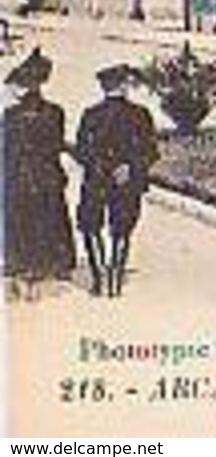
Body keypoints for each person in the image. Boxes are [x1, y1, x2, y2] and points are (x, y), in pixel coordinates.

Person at [74, 63, 160, 298]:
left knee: (89, 225)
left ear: (103, 87)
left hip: (96, 180)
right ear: (125, 86)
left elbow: (80, 151)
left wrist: (100, 167)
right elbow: (151, 151)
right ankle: (115, 280)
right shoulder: (140, 114)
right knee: (122, 229)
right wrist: (130, 167)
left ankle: (99, 277)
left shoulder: (91, 114)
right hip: (127, 181)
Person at [2, 48, 76, 295]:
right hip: (45, 173)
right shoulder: (55, 112)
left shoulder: (10, 116)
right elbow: (56, 144)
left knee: (20, 215)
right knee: (49, 214)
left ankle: (21, 261)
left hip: (20, 174)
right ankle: (52, 261)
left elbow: (6, 149)